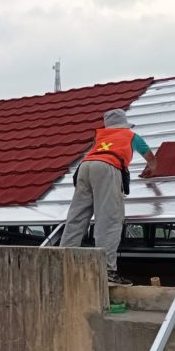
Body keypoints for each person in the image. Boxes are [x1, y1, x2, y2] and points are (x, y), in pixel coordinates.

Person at [59, 109, 157, 285]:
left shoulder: (101, 136)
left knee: (76, 217)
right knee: (109, 219)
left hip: (84, 167)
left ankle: (61, 264)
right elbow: (149, 156)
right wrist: (152, 167)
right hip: (107, 167)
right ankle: (107, 271)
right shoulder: (129, 135)